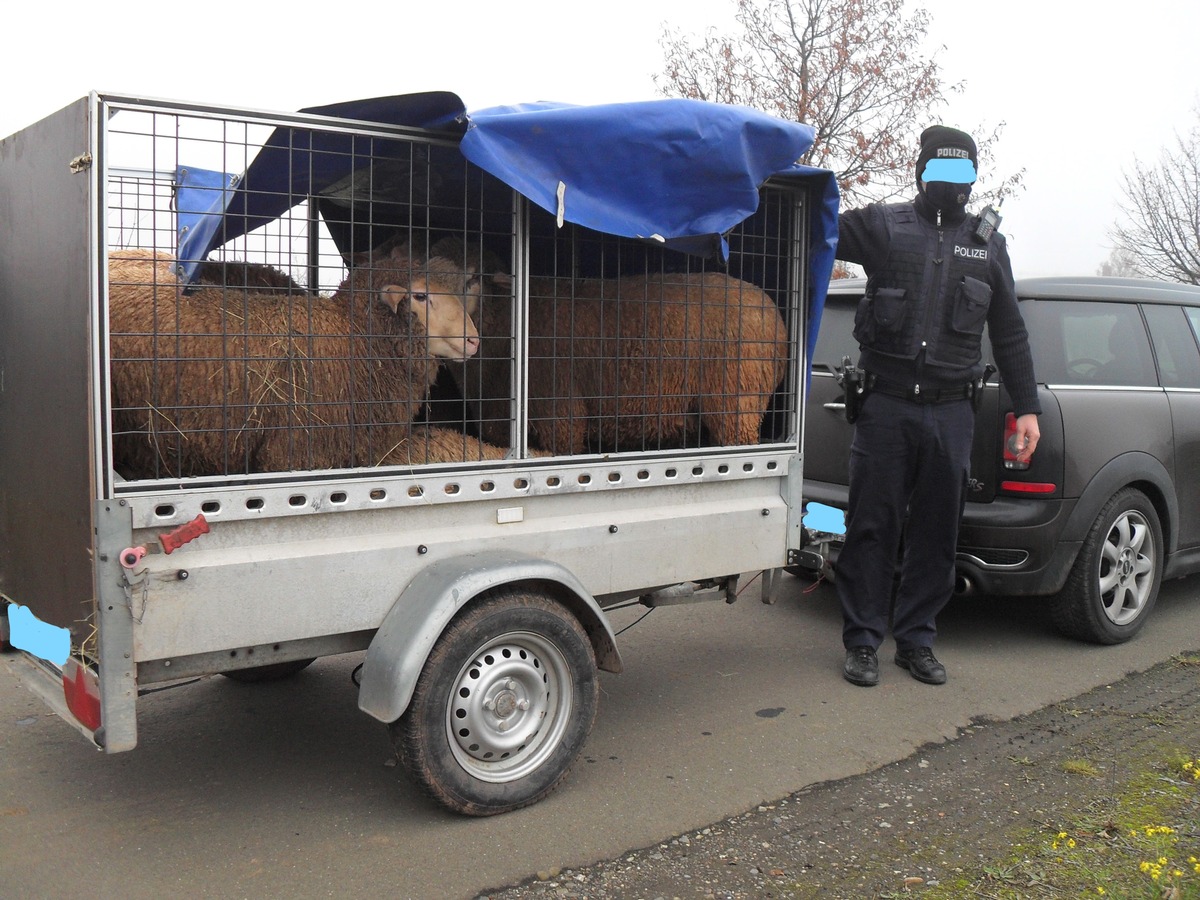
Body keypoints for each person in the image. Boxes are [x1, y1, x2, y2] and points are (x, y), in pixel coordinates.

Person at [833, 125, 1041, 687]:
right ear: (921, 171)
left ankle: (917, 640)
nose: (954, 185)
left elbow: (1011, 331)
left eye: (964, 174)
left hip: (951, 413)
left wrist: (1028, 408)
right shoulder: (883, 227)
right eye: (942, 172)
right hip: (886, 406)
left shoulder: (988, 244)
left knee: (935, 531)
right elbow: (818, 221)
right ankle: (862, 640)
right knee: (871, 526)